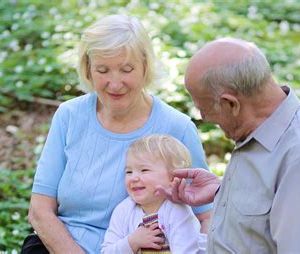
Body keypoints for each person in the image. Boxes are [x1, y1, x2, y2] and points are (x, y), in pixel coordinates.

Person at [24, 15, 211, 253]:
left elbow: (206, 216)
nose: (114, 84)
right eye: (102, 70)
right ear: (88, 70)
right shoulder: (69, 116)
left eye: (126, 69)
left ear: (145, 66)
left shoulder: (178, 127)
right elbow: (40, 210)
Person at [156, 38, 300, 253]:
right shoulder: (261, 128)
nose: (204, 117)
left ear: (231, 103)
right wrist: (223, 191)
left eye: (204, 109)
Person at [101, 134, 206, 254]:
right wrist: (132, 242)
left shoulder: (177, 210)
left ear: (173, 177)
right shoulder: (123, 210)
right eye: (128, 172)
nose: (133, 178)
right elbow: (106, 251)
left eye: (144, 170)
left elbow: (186, 251)